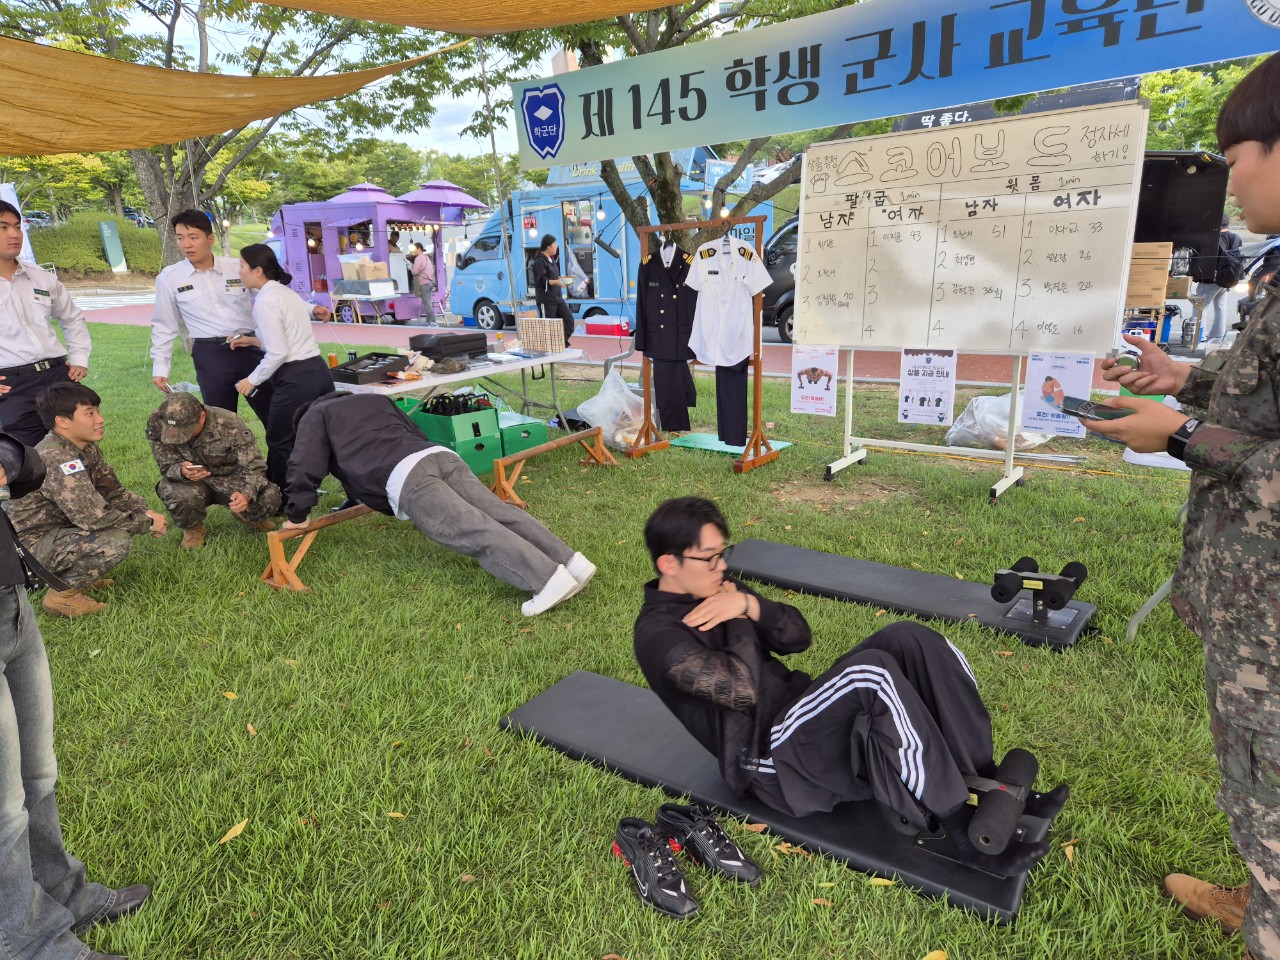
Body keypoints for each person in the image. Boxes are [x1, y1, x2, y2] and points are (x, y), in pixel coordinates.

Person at [1088, 52, 1280, 960]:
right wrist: (1183, 380)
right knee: (1259, 778)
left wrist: (1180, 435)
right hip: (1251, 591)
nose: (1229, 182)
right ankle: (1263, 892)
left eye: (1237, 158)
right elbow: (1262, 394)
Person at [635, 497, 1064, 877]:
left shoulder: (718, 588)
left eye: (722, 553)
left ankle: (986, 783)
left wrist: (749, 604)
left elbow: (798, 637)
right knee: (870, 675)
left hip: (799, 714)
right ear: (669, 564)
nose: (722, 566)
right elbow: (741, 690)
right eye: (708, 558)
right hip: (768, 761)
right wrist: (739, 616)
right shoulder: (660, 640)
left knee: (906, 638)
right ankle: (960, 831)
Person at [0, 429, 151, 960]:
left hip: (10, 603)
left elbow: (26, 466)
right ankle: (28, 942)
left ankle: (61, 893)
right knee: (3, 808)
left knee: (37, 775)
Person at [282, 391, 595, 616]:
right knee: (499, 513)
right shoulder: (373, 398)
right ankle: (571, 563)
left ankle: (545, 580)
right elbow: (413, 430)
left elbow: (304, 465)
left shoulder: (314, 417)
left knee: (473, 529)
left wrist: (297, 515)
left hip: (406, 475)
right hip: (438, 455)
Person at [151, 209, 331, 428]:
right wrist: (161, 367)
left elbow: (272, 294)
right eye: (180, 238)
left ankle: (285, 450)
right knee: (220, 423)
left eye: (193, 237)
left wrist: (312, 309)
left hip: (250, 348)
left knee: (276, 415)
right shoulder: (170, 278)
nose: (186, 244)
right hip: (210, 355)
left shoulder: (236, 267)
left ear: (210, 239)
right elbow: (164, 325)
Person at [8, 383, 166, 617]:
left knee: (119, 525)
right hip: (27, 550)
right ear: (62, 421)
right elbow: (93, 517)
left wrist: (145, 511)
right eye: (89, 413)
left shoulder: (84, 447)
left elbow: (113, 492)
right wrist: (147, 523)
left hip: (56, 531)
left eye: (98, 411)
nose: (100, 419)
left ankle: (79, 577)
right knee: (115, 540)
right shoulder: (56, 457)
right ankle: (62, 597)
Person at [233, 243, 335, 490]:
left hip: (296, 378)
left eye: (242, 265)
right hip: (318, 371)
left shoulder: (266, 301)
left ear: (257, 271)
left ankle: (282, 498)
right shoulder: (283, 293)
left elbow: (278, 352)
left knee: (279, 439)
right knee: (327, 435)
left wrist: (251, 380)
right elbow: (285, 338)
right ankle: (356, 491)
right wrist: (252, 340)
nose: (239, 271)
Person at [0, 200, 91, 447]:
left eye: (17, 227)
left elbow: (72, 318)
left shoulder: (41, 277)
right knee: (23, 456)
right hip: (13, 386)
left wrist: (80, 358)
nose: (14, 234)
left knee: (77, 449)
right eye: (3, 227)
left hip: (58, 376)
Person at [145, 391, 281, 549]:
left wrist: (246, 494)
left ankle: (247, 514)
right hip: (192, 482)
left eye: (186, 430)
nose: (181, 436)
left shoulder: (229, 423)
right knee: (173, 491)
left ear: (202, 416)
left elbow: (255, 465)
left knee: (270, 497)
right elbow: (166, 464)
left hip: (231, 477)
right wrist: (181, 471)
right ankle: (193, 529)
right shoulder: (157, 422)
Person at [1196, 213, 1244, 343]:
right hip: (1229, 278)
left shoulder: (1215, 239)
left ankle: (1199, 335)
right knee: (1220, 306)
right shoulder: (1236, 237)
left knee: (1200, 305)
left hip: (1211, 278)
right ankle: (1218, 335)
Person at [530, 234, 575, 346]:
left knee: (568, 320)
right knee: (549, 326)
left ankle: (560, 343)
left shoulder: (551, 259)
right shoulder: (539, 261)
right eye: (555, 244)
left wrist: (565, 280)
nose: (556, 247)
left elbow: (554, 277)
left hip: (557, 298)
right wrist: (556, 282)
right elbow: (541, 281)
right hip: (546, 300)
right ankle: (550, 347)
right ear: (548, 246)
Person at [407, 242, 436, 325]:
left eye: (414, 249)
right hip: (430, 282)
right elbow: (432, 271)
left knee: (427, 303)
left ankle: (433, 321)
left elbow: (415, 271)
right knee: (428, 302)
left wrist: (410, 267)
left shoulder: (418, 258)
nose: (413, 251)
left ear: (419, 249)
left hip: (423, 282)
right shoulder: (427, 258)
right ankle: (428, 321)